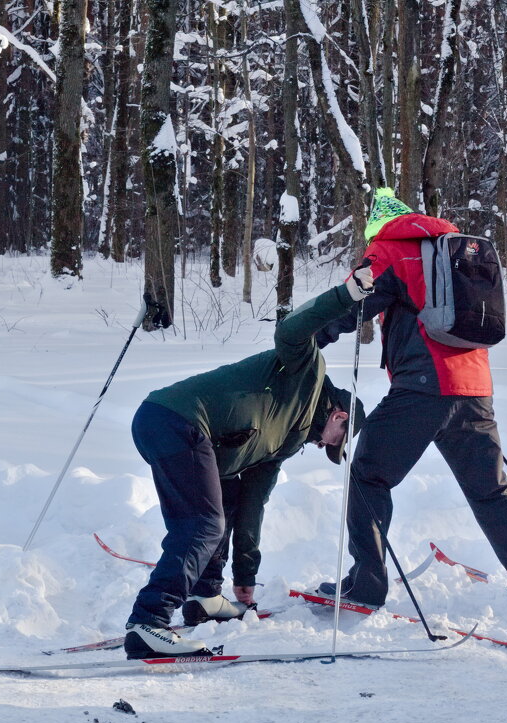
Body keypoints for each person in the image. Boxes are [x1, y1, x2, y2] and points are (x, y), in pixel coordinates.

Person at [315, 187, 507, 609]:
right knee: (491, 491)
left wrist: (305, 337)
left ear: (379, 225)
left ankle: (366, 587)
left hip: (424, 389)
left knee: (368, 475)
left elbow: (348, 307)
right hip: (476, 388)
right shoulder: (453, 249)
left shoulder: (388, 250)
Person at [124, 271, 372, 659]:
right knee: (203, 524)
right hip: (173, 419)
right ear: (340, 417)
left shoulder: (288, 439)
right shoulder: (306, 372)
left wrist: (245, 577)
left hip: (185, 433)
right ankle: (148, 622)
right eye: (335, 441)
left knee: (228, 505)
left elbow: (254, 504)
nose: (326, 445)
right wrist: (347, 295)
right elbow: (293, 329)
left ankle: (205, 595)